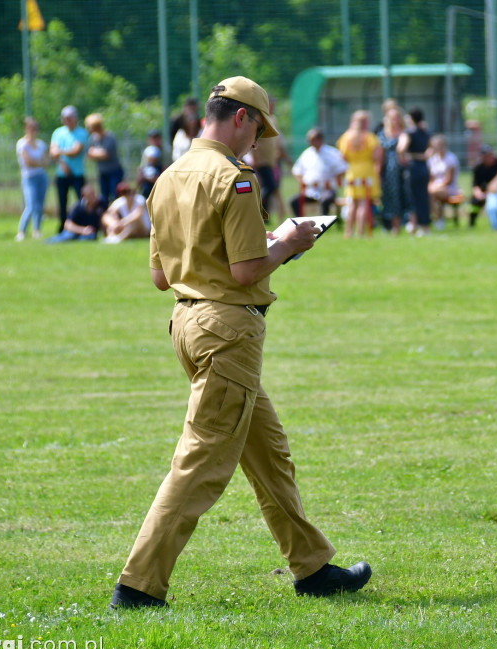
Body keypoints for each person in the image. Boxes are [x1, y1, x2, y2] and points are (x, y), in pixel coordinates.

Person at [110, 76, 371, 610]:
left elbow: (162, 277)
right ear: (241, 119)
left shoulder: (167, 177)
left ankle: (313, 567)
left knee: (269, 454)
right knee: (201, 461)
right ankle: (137, 588)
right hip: (229, 330)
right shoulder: (237, 179)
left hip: (188, 325)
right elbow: (247, 267)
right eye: (259, 130)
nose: (258, 142)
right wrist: (293, 242)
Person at [336, 110, 382, 239]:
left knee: (352, 203)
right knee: (363, 203)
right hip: (366, 170)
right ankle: (360, 232)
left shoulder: (346, 137)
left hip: (352, 171)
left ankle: (348, 232)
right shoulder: (369, 137)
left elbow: (342, 156)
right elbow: (376, 156)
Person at [291, 127, 347, 217]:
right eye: (309, 140)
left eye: (312, 140)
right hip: (311, 190)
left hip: (327, 190)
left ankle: (324, 224)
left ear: (319, 139)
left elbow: (342, 169)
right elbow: (296, 170)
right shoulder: (307, 153)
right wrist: (303, 182)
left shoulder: (332, 152)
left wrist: (333, 183)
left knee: (325, 200)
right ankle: (301, 223)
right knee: (294, 201)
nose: (310, 142)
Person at [50, 105, 89, 233]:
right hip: (62, 174)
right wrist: (63, 164)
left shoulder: (82, 133)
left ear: (75, 118)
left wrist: (60, 151)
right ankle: (63, 226)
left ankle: (82, 225)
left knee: (82, 201)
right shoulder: (58, 132)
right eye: (65, 118)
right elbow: (52, 152)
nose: (68, 121)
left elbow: (76, 151)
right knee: (62, 202)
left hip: (77, 174)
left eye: (70, 118)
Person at [252, 97, 288, 222]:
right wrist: (254, 158)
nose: (272, 107)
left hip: (272, 161)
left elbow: (276, 140)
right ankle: (259, 210)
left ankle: (265, 216)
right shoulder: (261, 119)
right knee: (271, 187)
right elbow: (254, 139)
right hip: (261, 160)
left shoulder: (273, 119)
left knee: (271, 187)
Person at [398, 108, 432, 236]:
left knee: (412, 198)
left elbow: (401, 148)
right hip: (423, 168)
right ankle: (425, 227)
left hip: (412, 168)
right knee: (423, 197)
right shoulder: (425, 132)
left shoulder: (408, 133)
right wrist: (422, 157)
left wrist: (406, 159)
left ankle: (413, 225)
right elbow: (430, 150)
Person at [15, 117, 50, 241]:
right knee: (30, 205)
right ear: (26, 128)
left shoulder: (40, 144)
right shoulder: (22, 143)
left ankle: (37, 230)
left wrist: (38, 162)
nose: (33, 130)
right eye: (31, 128)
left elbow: (46, 161)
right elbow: (28, 162)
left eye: (35, 128)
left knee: (40, 206)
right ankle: (22, 231)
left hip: (42, 177)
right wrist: (39, 162)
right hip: (29, 178)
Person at [377, 105, 406, 234]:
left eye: (397, 118)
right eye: (392, 118)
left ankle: (408, 224)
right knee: (392, 197)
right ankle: (394, 227)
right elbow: (380, 154)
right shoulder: (383, 134)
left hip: (405, 168)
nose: (395, 121)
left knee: (406, 195)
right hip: (389, 170)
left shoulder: (406, 132)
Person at [86, 113, 124, 208]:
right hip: (103, 173)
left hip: (114, 172)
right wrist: (98, 152)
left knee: (115, 197)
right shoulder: (93, 139)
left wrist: (95, 152)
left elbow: (105, 154)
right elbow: (89, 154)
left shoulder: (110, 137)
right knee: (104, 198)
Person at [427, 134, 461, 230]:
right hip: (434, 188)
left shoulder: (451, 159)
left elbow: (448, 180)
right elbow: (430, 178)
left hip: (449, 188)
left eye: (440, 145)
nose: (439, 148)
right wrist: (431, 186)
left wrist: (434, 187)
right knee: (426, 193)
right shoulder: (432, 160)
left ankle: (438, 220)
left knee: (430, 194)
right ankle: (432, 219)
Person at [469, 144, 497, 228]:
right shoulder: (478, 168)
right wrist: (479, 194)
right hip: (484, 191)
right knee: (474, 202)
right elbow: (475, 185)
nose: (490, 157)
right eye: (487, 156)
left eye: (491, 154)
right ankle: (472, 222)